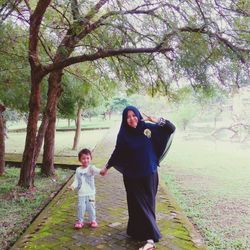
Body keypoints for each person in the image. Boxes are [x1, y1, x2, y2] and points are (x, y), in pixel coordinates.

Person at [100, 105, 176, 250]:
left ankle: (150, 240)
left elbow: (171, 129)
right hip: (131, 176)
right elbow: (118, 151)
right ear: (124, 119)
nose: (132, 119)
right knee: (135, 205)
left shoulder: (147, 128)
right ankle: (136, 231)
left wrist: (157, 120)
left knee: (147, 205)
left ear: (138, 115)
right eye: (128, 117)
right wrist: (107, 167)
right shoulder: (123, 134)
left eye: (134, 115)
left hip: (149, 174)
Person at [68, 148, 103, 229]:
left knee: (91, 207)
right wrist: (72, 186)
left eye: (88, 158)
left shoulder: (91, 168)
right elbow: (76, 180)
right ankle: (80, 221)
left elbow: (98, 171)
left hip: (91, 193)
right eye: (83, 158)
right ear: (80, 159)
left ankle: (93, 220)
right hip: (81, 193)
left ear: (90, 159)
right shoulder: (78, 170)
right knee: (81, 207)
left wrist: (102, 171)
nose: (86, 160)